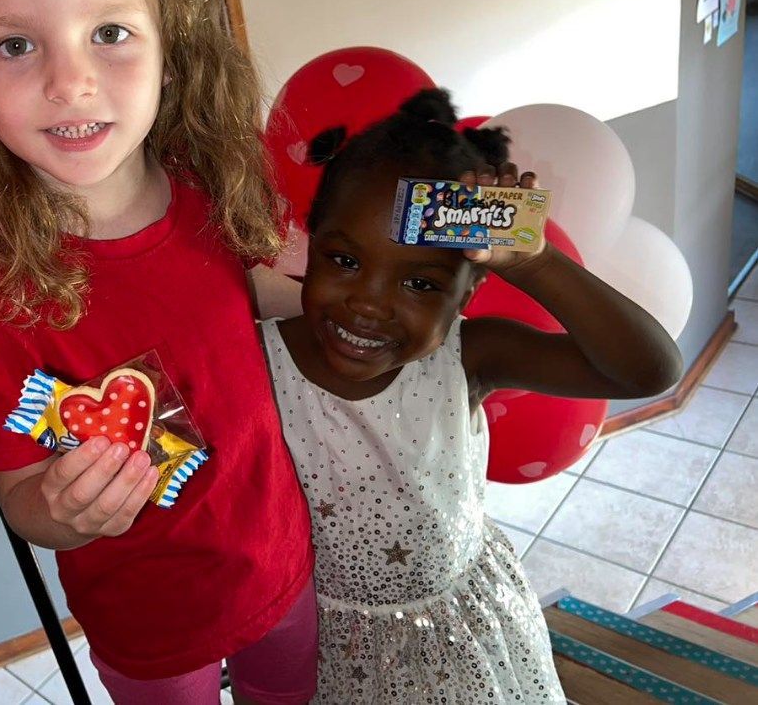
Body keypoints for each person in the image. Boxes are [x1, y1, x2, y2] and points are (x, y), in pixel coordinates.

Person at [0, 0, 316, 701]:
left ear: (170, 40)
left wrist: (373, 274)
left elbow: (249, 297)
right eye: (16, 44)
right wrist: (54, 513)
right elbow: (17, 490)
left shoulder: (211, 193)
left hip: (284, 570)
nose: (70, 81)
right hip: (150, 630)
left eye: (109, 32)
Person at [261, 89, 683, 703]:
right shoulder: (257, 354)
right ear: (313, 239)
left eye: (419, 281)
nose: (370, 303)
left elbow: (649, 370)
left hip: (464, 642)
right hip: (323, 646)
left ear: (469, 289)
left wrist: (536, 263)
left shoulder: (472, 355)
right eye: (344, 260)